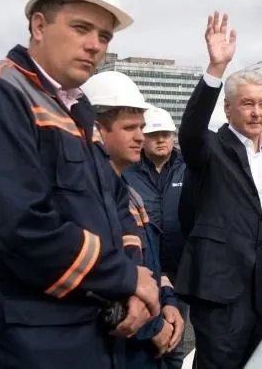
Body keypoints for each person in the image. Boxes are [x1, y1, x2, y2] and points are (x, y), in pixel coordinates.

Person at [0, 0, 160, 369]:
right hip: (19, 345)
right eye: (81, 28)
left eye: (104, 36)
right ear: (38, 26)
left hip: (85, 336)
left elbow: (116, 207)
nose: (95, 45)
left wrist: (132, 279)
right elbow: (18, 227)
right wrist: (127, 278)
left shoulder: (77, 112)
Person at [175, 12, 262, 369]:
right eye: (247, 104)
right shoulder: (210, 149)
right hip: (219, 291)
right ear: (228, 109)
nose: (256, 113)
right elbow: (189, 130)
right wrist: (215, 69)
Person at [82, 71, 185, 368]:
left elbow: (147, 261)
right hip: (121, 344)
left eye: (142, 127)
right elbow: (101, 283)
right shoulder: (87, 194)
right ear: (97, 130)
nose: (141, 136)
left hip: (147, 333)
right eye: (131, 128)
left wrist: (168, 301)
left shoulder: (126, 192)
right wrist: (153, 328)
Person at [123, 105, 190, 369]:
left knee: (174, 340)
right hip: (143, 270)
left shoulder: (188, 169)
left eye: (165, 134)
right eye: (154, 134)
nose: (161, 139)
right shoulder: (127, 169)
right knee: (144, 340)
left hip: (179, 271)